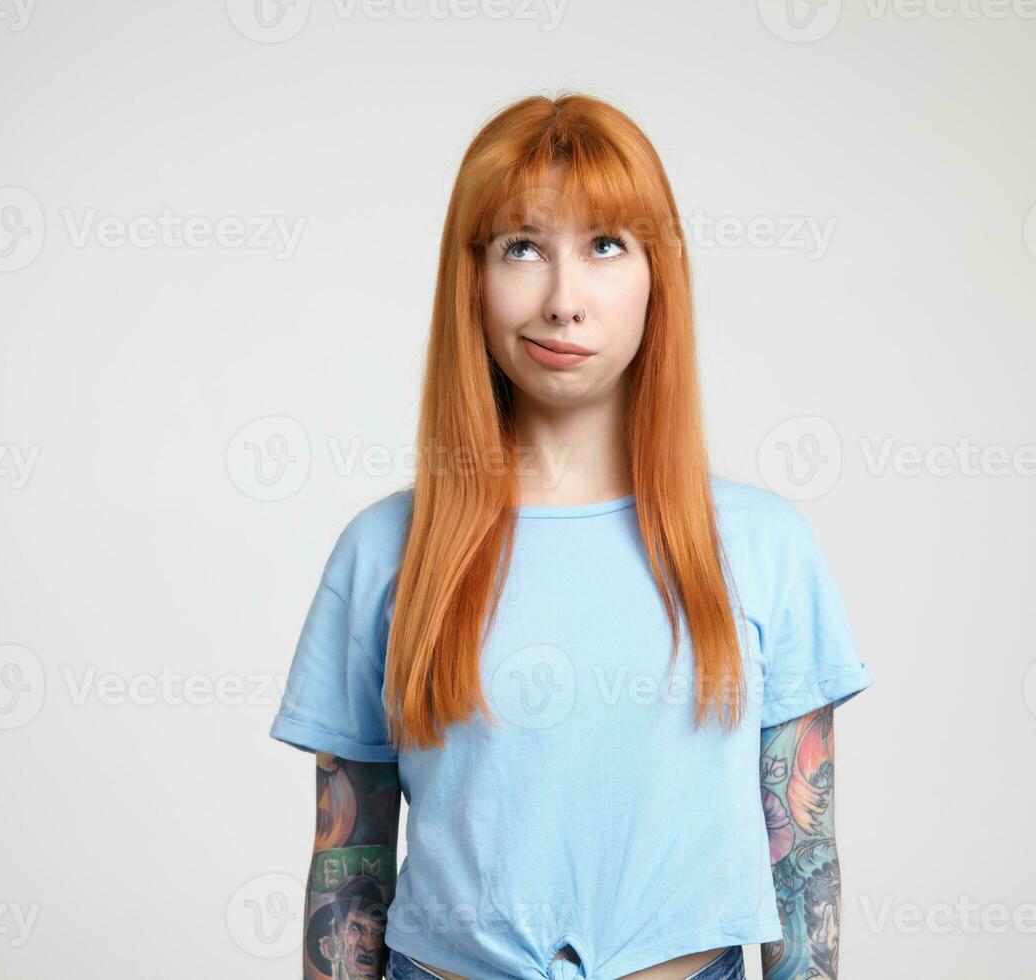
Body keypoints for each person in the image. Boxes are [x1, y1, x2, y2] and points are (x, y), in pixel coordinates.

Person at [269, 91, 873, 980]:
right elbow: (348, 877)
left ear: (654, 275)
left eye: (604, 245)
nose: (564, 300)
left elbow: (803, 874)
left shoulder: (762, 549)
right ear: (470, 278)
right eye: (523, 247)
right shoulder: (385, 553)